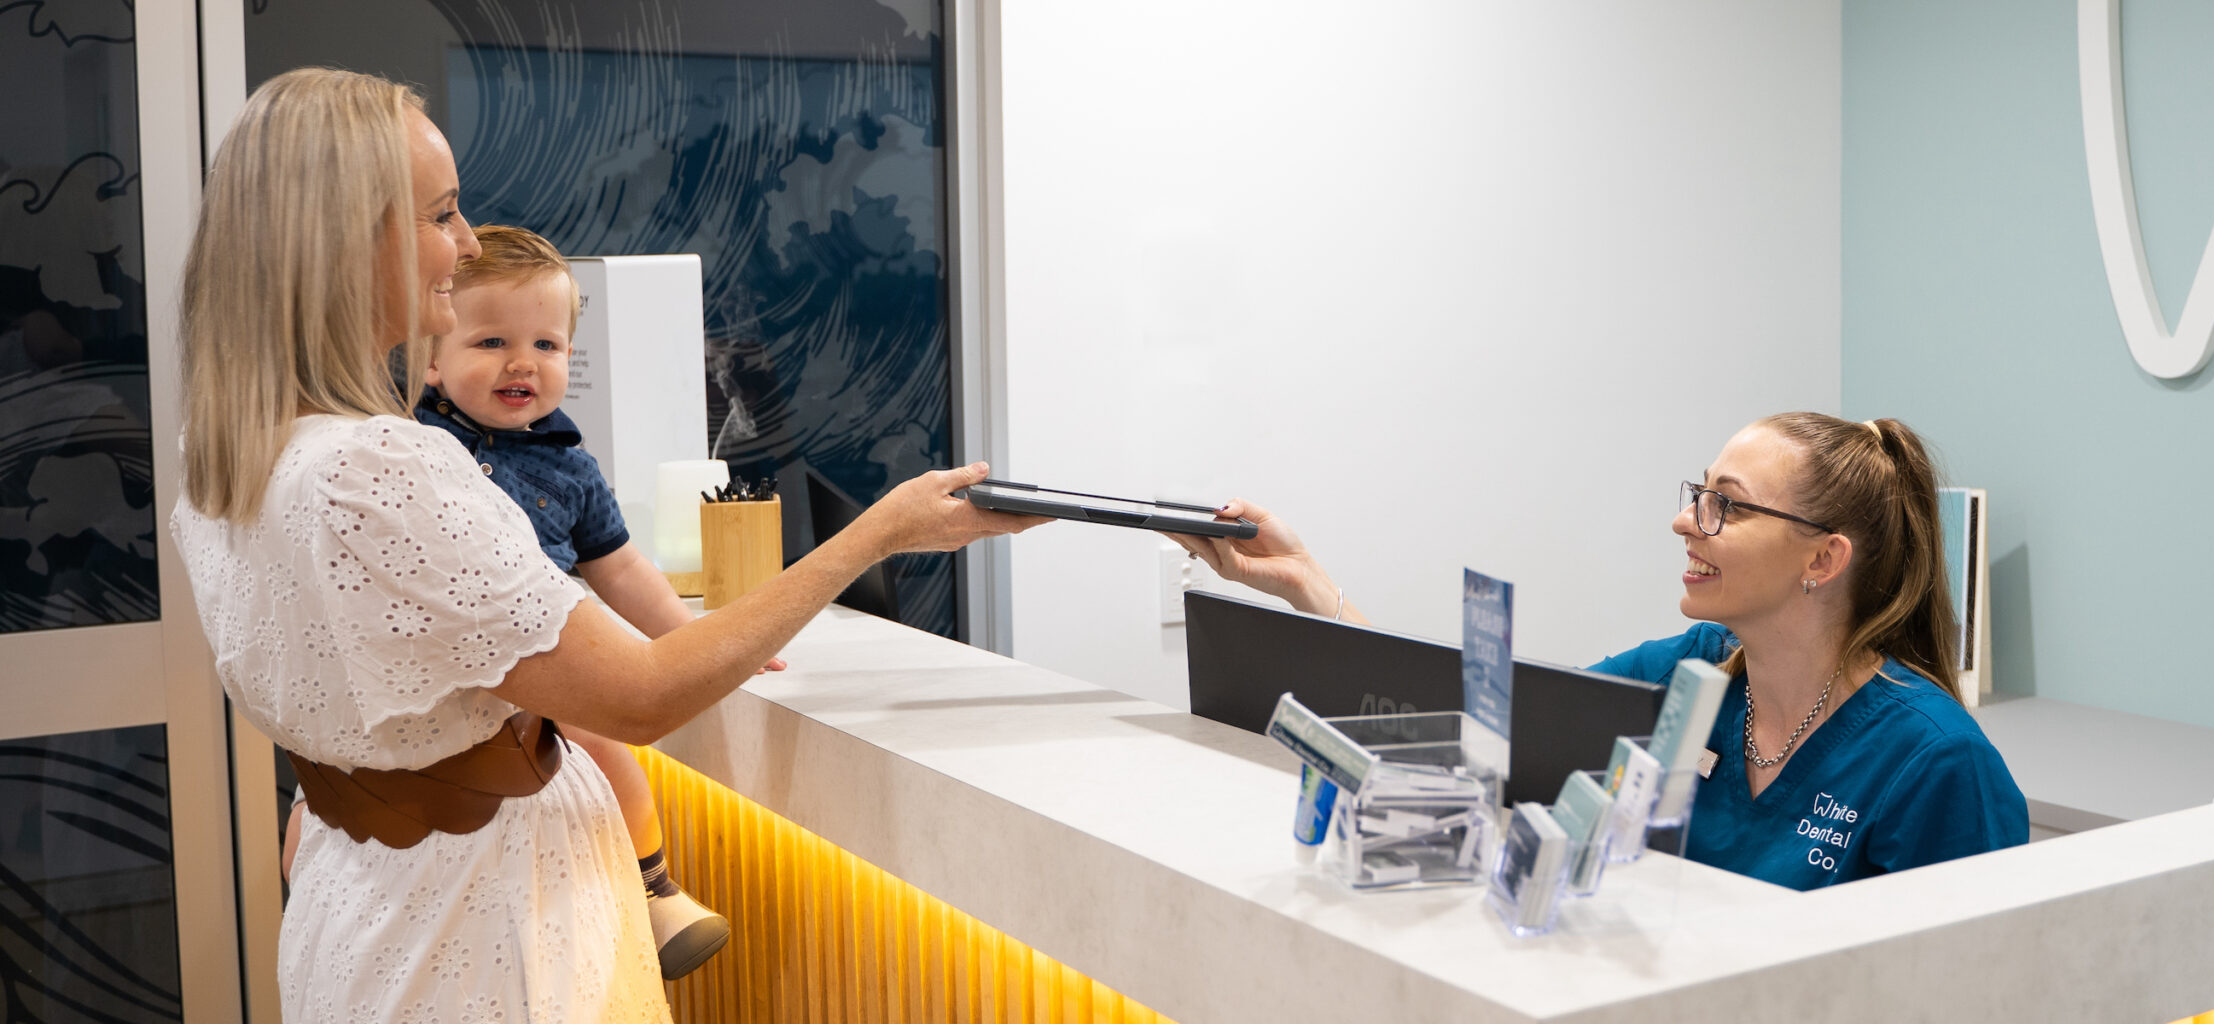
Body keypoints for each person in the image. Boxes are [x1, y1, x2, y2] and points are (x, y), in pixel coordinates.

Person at [168, 67, 1038, 1020]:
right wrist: (880, 533)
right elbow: (638, 694)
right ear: (343, 240)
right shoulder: (377, 469)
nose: (464, 243)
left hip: (366, 916)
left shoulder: (230, 459)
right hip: (487, 944)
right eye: (443, 214)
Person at [1168, 412, 2027, 890]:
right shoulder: (1694, 672)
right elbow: (1479, 731)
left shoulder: (1937, 763)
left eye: (1725, 505)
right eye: (1698, 495)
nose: (1687, 521)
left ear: (1822, 559)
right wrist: (1308, 584)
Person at [274, 223, 747, 979]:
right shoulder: (403, 446)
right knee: (322, 798)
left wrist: (696, 642)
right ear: (431, 358)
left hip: (537, 666)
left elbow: (620, 570)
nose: (523, 362)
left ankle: (654, 885)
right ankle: (317, 899)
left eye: (549, 346)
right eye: (491, 342)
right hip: (427, 676)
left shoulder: (572, 466)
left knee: (604, 745)